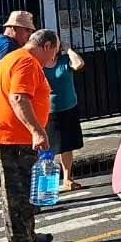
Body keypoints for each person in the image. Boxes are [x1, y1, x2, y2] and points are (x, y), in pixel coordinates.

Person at [0, 28, 60, 242]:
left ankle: (29, 238)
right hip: (9, 140)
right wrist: (37, 130)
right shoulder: (26, 62)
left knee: (26, 192)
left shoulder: (11, 59)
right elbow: (18, 98)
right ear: (46, 46)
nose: (53, 58)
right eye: (54, 52)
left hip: (4, 136)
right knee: (16, 197)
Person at [43, 45, 86, 192]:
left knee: (66, 146)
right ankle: (47, 184)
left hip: (68, 108)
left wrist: (68, 49)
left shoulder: (64, 60)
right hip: (48, 112)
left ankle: (67, 179)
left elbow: (79, 64)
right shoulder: (39, 63)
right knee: (47, 148)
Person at [0, 11, 36, 77]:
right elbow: (6, 75)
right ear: (14, 28)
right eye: (27, 30)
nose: (30, 34)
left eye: (31, 31)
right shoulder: (9, 46)